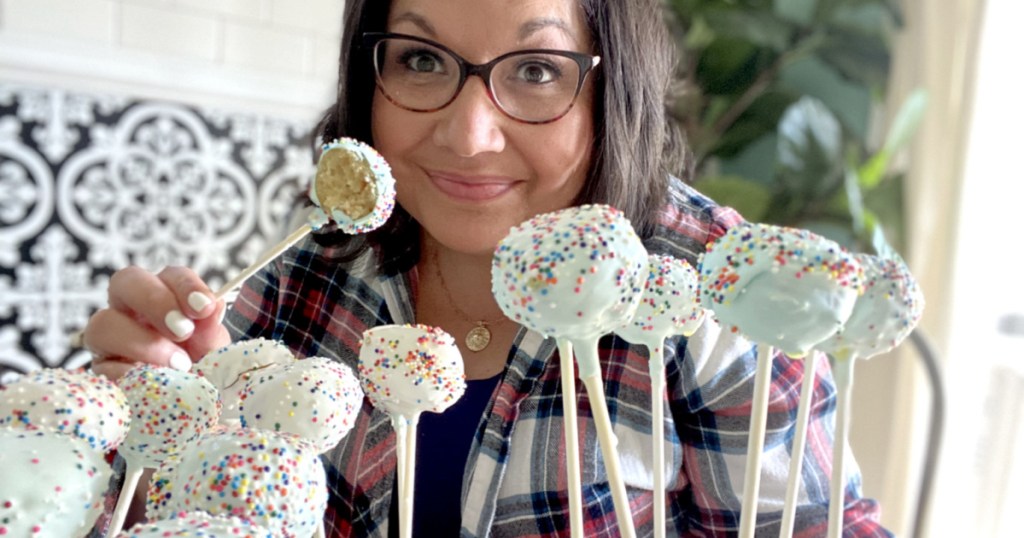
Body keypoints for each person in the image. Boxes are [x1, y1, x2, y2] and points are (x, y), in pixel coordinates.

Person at [83, 0, 892, 536]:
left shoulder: (725, 293)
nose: (469, 136)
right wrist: (160, 444)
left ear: (615, 88)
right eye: (421, 61)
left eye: (537, 71)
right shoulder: (318, 265)